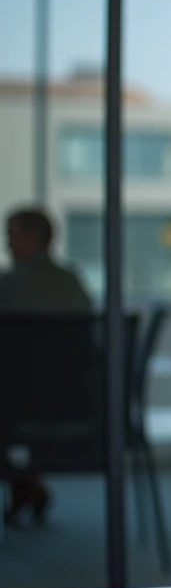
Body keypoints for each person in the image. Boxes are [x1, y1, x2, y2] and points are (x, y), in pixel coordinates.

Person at [0, 207, 93, 526]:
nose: (7, 246)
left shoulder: (7, 287)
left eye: (10, 236)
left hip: (18, 410)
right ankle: (29, 486)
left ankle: (26, 485)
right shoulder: (74, 283)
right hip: (82, 408)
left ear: (29, 238)